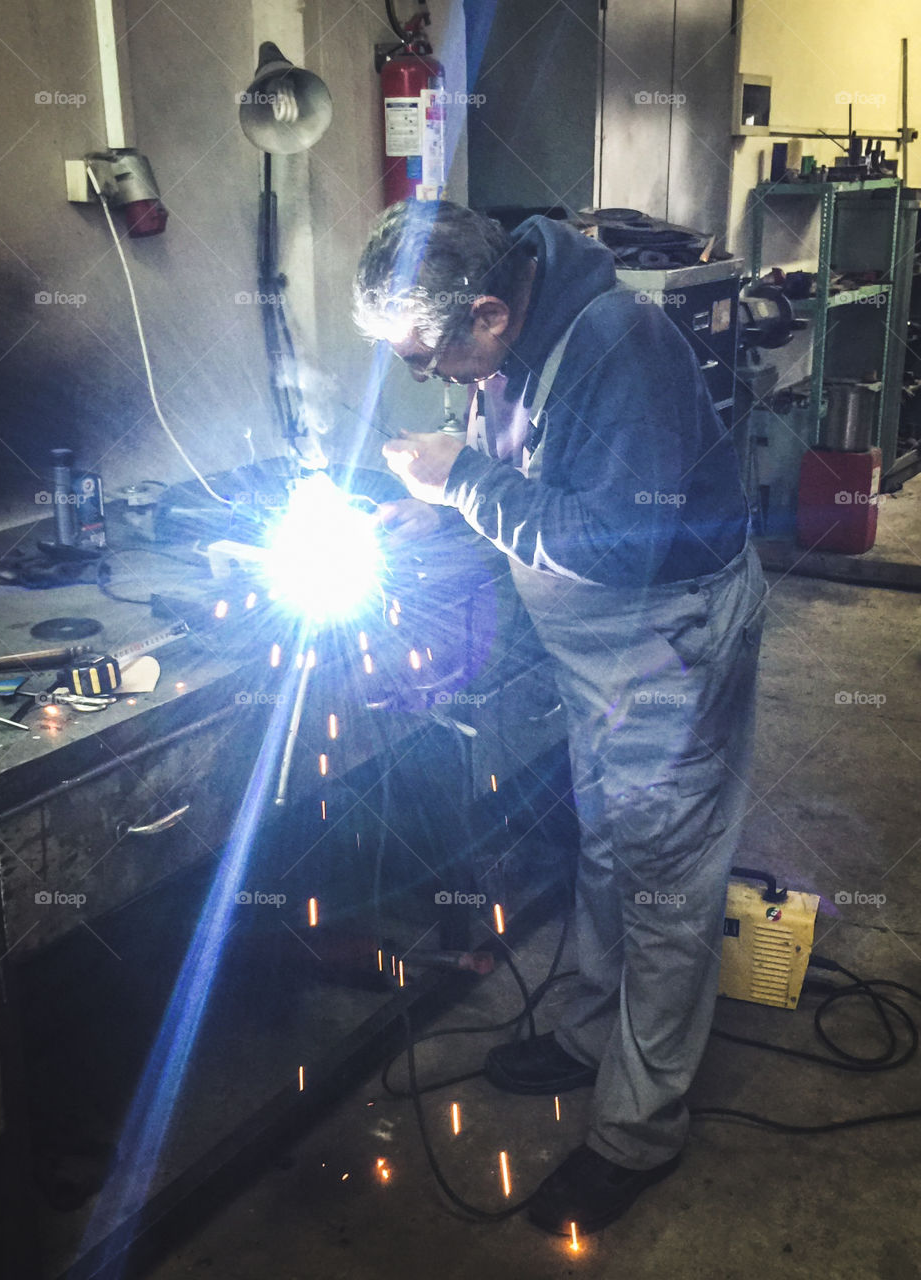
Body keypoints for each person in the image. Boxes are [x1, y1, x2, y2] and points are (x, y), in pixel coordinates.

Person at [353, 200, 767, 1235]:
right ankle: (587, 1034)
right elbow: (543, 479)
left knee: (668, 883)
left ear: (489, 313)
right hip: (602, 648)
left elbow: (617, 539)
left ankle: (638, 1131)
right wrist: (443, 502)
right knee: (606, 843)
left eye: (430, 357)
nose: (432, 378)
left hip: (666, 637)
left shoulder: (616, 345)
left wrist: (467, 480)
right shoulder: (516, 341)